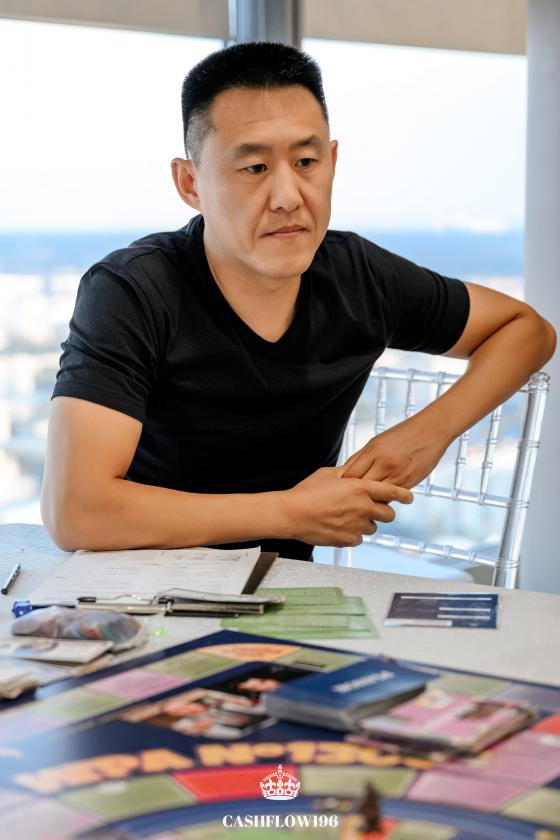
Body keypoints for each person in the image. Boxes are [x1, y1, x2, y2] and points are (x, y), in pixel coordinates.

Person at [41, 42, 556, 561]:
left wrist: (431, 432)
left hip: (288, 593)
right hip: (141, 587)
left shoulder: (359, 277)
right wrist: (289, 513)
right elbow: (76, 512)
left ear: (332, 161)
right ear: (190, 183)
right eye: (254, 168)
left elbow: (527, 329)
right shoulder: (133, 290)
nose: (288, 196)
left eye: (306, 161)